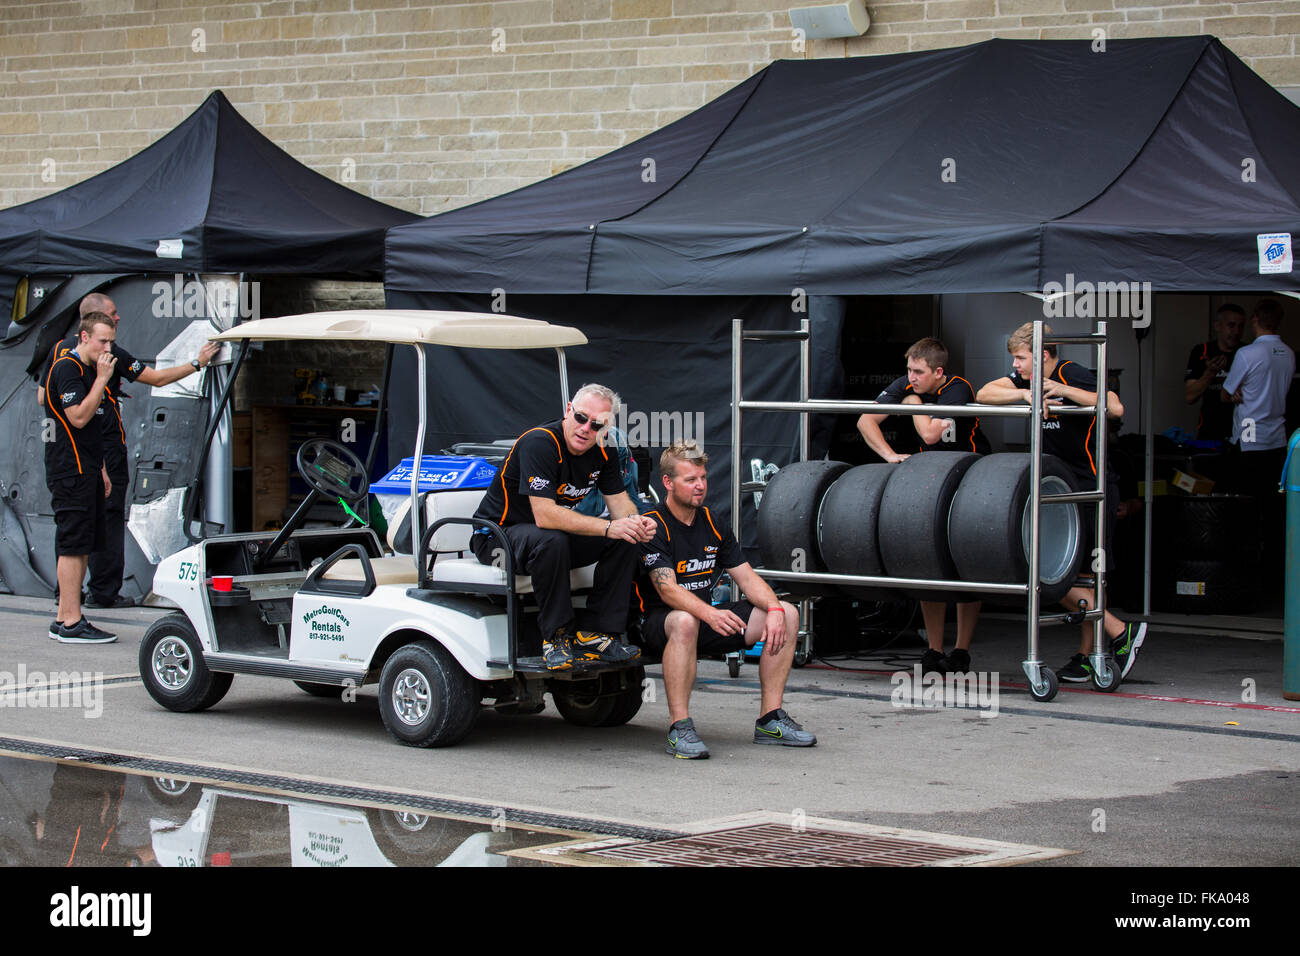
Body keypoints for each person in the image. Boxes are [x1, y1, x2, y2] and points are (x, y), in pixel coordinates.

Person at [976, 322, 1147, 684]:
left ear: (1044, 355)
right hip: (1058, 489)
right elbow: (983, 394)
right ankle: (1105, 642)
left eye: (1022, 359)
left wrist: (1059, 388)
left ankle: (1103, 643)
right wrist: (1026, 395)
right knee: (1053, 571)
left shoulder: (1071, 372)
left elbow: (1114, 407)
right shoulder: (1025, 379)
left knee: (1083, 574)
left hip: (1091, 486)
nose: (1017, 366)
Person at [38, 292, 220, 608]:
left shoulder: (60, 351)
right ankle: (100, 594)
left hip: (90, 451)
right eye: (112, 314)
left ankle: (69, 598)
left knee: (77, 525)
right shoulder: (93, 358)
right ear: (91, 326)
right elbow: (156, 379)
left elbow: (43, 398)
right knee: (98, 521)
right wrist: (197, 362)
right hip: (91, 448)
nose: (118, 319)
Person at [635, 440, 814, 758]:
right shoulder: (654, 524)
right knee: (685, 620)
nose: (700, 486)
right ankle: (680, 728)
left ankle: (770, 720)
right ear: (668, 482)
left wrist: (772, 607)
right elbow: (667, 590)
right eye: (690, 480)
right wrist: (710, 614)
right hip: (658, 624)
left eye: (703, 478)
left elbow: (746, 577)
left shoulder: (713, 522)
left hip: (705, 619)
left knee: (787, 613)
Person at [469, 383, 656, 671]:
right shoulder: (540, 443)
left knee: (627, 537)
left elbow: (620, 503)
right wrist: (608, 528)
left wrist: (635, 523)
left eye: (596, 425)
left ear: (606, 428)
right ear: (568, 410)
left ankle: (597, 632)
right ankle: (555, 638)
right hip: (497, 538)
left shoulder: (603, 450)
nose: (585, 429)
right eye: (581, 418)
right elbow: (545, 516)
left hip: (548, 539)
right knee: (552, 539)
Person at [855, 337, 988, 676]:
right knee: (929, 566)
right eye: (908, 371)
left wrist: (912, 402)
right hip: (929, 481)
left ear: (938, 372)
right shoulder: (907, 383)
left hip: (968, 480)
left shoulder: (958, 389)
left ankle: (961, 650)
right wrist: (890, 456)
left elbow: (930, 434)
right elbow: (865, 421)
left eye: (918, 372)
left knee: (965, 567)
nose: (910, 378)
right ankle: (933, 650)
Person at [43, 312, 117, 643]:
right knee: (73, 543)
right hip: (68, 469)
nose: (108, 348)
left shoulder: (88, 370)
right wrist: (102, 379)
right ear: (84, 337)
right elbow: (78, 417)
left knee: (85, 541)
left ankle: (66, 616)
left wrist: (100, 468)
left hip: (87, 466)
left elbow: (95, 430)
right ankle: (71, 621)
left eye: (111, 341)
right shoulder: (67, 369)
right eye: (102, 340)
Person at [1222, 298, 1294, 498]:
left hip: (1250, 434)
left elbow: (1225, 394)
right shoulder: (1289, 354)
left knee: (1246, 499)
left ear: (1255, 319)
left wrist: (1234, 392)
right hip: (1277, 436)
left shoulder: (1247, 353)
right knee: (1272, 500)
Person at [1184, 303, 1245, 443]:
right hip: (1210, 429)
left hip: (1242, 430)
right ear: (1217, 326)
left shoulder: (1247, 352)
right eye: (1231, 325)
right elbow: (1190, 397)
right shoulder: (1202, 351)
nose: (1236, 331)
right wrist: (1210, 373)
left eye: (1241, 326)